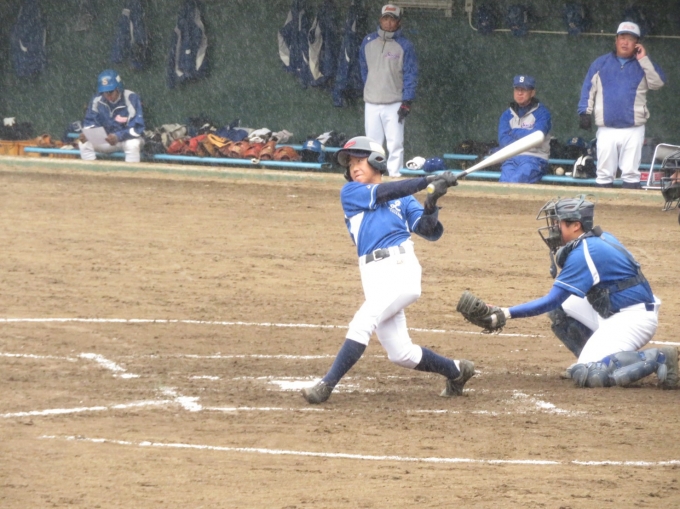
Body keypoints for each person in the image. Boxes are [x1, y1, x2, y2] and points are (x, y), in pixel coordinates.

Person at [301, 136, 474, 404]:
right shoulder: (352, 193)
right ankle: (457, 370)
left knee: (362, 322)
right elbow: (386, 192)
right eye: (350, 164)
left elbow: (426, 229)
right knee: (401, 353)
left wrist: (432, 200)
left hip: (401, 269)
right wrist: (427, 181)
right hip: (372, 276)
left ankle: (326, 385)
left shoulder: (403, 200)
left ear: (376, 161)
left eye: (359, 161)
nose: (354, 167)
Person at [462, 195, 677, 389]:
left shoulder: (586, 252)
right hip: (613, 309)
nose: (554, 228)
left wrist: (505, 313)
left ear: (576, 225)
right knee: (562, 309)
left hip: (632, 318)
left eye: (559, 223)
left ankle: (658, 357)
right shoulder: (594, 240)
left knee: (590, 375)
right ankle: (597, 358)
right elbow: (559, 302)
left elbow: (552, 299)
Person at [578, 21, 666, 189]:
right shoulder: (601, 63)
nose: (625, 42)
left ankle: (630, 206)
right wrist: (584, 112)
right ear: (616, 40)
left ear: (637, 44)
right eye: (622, 38)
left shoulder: (643, 64)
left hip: (633, 128)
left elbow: (658, 83)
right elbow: (588, 89)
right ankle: (604, 204)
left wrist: (644, 59)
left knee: (631, 175)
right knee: (604, 174)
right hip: (606, 128)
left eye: (631, 39)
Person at [359, 4, 418, 178]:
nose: (388, 22)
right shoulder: (367, 41)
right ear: (380, 19)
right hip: (371, 102)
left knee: (395, 143)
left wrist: (407, 101)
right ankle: (374, 175)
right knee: (373, 143)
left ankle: (394, 177)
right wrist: (370, 88)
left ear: (399, 22)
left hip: (394, 102)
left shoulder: (405, 45)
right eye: (385, 18)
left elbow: (411, 74)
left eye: (392, 19)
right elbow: (363, 69)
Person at [79, 69, 145, 163]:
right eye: (105, 92)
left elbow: (137, 128)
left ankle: (131, 172)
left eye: (110, 91)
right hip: (106, 140)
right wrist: (88, 134)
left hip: (126, 140)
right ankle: (91, 171)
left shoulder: (130, 97)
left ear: (118, 88)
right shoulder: (97, 99)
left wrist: (118, 136)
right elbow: (90, 122)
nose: (108, 95)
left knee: (132, 144)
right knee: (84, 143)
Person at [498, 75, 552, 183]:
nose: (519, 93)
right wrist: (525, 136)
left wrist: (513, 132)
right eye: (517, 89)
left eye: (524, 89)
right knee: (503, 184)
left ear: (532, 92)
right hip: (511, 158)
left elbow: (536, 138)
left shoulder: (542, 113)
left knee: (516, 182)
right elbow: (503, 140)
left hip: (534, 159)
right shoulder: (507, 115)